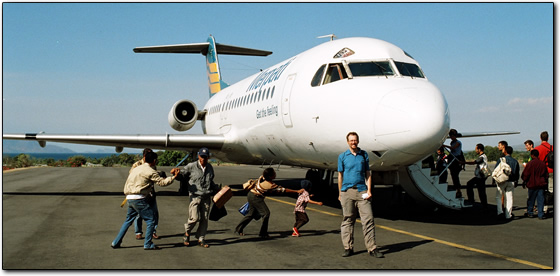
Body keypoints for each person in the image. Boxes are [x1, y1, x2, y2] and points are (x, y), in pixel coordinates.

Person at [111, 151, 178, 250]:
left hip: (129, 197)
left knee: (128, 221)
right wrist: (174, 177)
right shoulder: (150, 171)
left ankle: (116, 242)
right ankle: (148, 243)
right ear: (154, 161)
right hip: (139, 198)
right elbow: (162, 183)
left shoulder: (136, 168)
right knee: (151, 220)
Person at [338, 132, 384, 258]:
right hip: (347, 191)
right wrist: (340, 193)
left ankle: (372, 248)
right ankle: (348, 247)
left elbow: (368, 173)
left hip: (362, 191)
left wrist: (369, 190)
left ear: (358, 141)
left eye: (355, 140)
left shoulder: (363, 155)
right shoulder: (342, 156)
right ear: (348, 142)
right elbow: (340, 175)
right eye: (351, 140)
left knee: (368, 219)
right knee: (348, 219)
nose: (353, 142)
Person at [235, 168, 303, 239]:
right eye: (274, 173)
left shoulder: (262, 178)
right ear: (270, 176)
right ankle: (263, 233)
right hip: (256, 198)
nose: (275, 174)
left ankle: (239, 229)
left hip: (251, 194)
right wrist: (297, 191)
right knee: (266, 214)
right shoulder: (270, 185)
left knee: (251, 214)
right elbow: (284, 190)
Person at [174, 147, 220, 248]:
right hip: (195, 196)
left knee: (204, 219)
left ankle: (201, 238)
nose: (203, 159)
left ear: (208, 157)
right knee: (194, 218)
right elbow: (182, 176)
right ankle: (187, 233)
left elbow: (210, 182)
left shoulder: (210, 168)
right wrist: (176, 175)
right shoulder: (191, 166)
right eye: (201, 156)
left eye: (205, 157)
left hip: (206, 196)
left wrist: (218, 190)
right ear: (198, 156)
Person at [129, 148, 160, 240]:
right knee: (139, 214)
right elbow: (132, 176)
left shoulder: (153, 164)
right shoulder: (136, 165)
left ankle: (153, 231)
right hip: (140, 192)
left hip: (150, 192)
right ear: (144, 156)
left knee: (154, 212)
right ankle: (138, 232)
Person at [494, 146, 520, 221]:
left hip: (502, 180)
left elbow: (496, 170)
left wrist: (494, 180)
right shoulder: (515, 161)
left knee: (498, 196)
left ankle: (500, 212)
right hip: (511, 181)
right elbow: (517, 173)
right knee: (509, 198)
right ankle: (508, 214)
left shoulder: (501, 160)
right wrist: (516, 181)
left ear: (505, 151)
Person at [521, 150, 549, 220]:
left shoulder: (530, 164)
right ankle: (541, 214)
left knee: (531, 199)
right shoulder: (542, 164)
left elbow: (526, 174)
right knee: (540, 200)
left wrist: (524, 180)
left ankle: (530, 212)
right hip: (541, 184)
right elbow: (546, 175)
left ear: (532, 155)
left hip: (532, 184)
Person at [463, 144, 488, 209]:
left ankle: (472, 200)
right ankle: (484, 205)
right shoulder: (483, 156)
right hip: (480, 176)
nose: (475, 150)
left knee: (478, 189)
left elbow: (475, 162)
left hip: (480, 177)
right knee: (480, 190)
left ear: (479, 149)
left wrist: (464, 162)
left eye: (476, 149)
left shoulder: (482, 157)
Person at [444, 129, 463, 198]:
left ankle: (458, 190)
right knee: (453, 175)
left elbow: (453, 148)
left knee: (455, 175)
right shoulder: (452, 142)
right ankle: (457, 189)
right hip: (452, 158)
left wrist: (444, 146)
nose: (451, 137)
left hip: (456, 159)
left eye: (452, 136)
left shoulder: (458, 142)